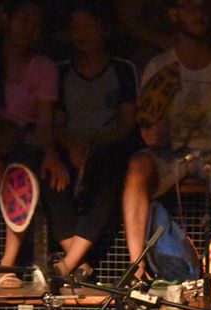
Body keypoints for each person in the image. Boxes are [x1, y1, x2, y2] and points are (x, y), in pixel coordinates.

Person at [122, 0, 211, 279]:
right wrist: (152, 132)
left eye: (204, 7)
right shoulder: (160, 65)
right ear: (175, 13)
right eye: (190, 7)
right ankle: (136, 265)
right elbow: (147, 125)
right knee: (138, 165)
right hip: (171, 153)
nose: (199, 13)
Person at [0, 0, 70, 288]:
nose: (30, 29)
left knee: (21, 174)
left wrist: (50, 153)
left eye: (36, 24)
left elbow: (44, 124)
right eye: (24, 20)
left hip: (22, 141)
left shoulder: (43, 67)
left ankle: (8, 264)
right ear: (7, 20)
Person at [55, 1, 140, 278]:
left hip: (108, 147)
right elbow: (56, 123)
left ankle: (68, 264)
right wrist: (72, 147)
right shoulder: (61, 71)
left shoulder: (122, 69)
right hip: (71, 148)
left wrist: (95, 145)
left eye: (89, 26)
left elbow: (127, 123)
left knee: (113, 169)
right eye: (76, 27)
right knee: (49, 172)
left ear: (104, 29)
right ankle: (78, 262)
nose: (83, 34)